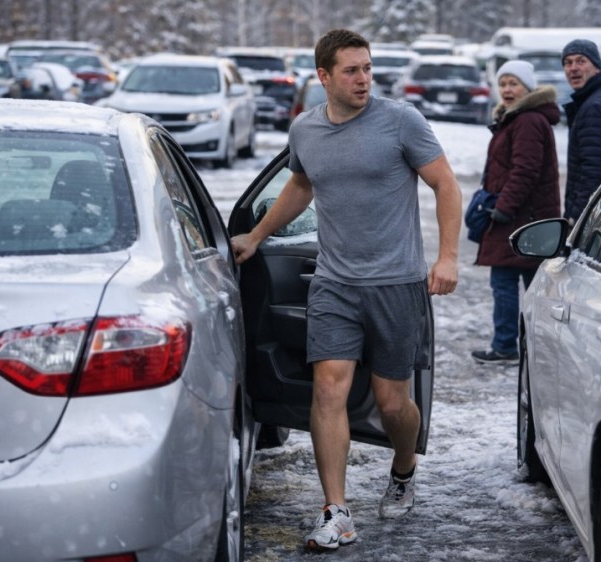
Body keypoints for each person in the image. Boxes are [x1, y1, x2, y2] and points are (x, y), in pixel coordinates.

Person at [231, 29, 461, 551]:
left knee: (392, 403)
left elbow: (445, 183)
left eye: (367, 68)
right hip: (334, 282)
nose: (363, 79)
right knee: (328, 389)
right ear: (324, 77)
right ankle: (336, 510)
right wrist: (257, 236)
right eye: (352, 70)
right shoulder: (305, 130)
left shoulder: (401, 122)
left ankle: (403, 467)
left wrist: (447, 257)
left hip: (396, 283)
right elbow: (301, 185)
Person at [470, 60, 561, 365]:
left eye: (514, 84)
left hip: (522, 218)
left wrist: (503, 208)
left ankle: (508, 345)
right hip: (522, 217)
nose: (507, 90)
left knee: (508, 282)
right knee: (529, 284)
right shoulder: (516, 119)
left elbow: (526, 170)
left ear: (528, 88)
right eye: (503, 83)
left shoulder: (527, 121)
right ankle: (532, 347)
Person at [561, 39, 601, 224]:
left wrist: (578, 218)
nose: (573, 68)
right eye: (568, 62)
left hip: (595, 216)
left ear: (596, 66)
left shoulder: (595, 108)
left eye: (581, 61)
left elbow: (595, 171)